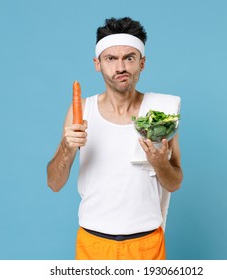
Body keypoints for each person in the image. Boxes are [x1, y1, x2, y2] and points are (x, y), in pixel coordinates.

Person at [47, 17, 183, 260]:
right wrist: (67, 148)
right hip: (94, 245)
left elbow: (174, 183)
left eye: (129, 58)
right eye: (111, 58)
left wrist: (160, 163)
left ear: (142, 63)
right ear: (97, 64)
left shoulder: (161, 114)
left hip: (147, 245)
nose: (120, 67)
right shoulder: (81, 110)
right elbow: (54, 183)